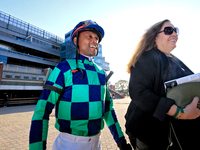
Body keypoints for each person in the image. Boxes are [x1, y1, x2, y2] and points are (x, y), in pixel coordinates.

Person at [29, 20, 131, 150]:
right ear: (76, 40)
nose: (95, 41)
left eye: (97, 38)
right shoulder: (63, 68)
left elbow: (108, 110)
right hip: (70, 144)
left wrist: (121, 141)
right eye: (89, 36)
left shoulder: (101, 73)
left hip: (97, 143)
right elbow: (42, 111)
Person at [125, 19, 200, 150]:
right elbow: (139, 93)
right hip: (151, 136)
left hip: (174, 134)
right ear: (154, 37)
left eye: (175, 30)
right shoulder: (147, 57)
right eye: (168, 30)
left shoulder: (175, 60)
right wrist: (180, 113)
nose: (174, 34)